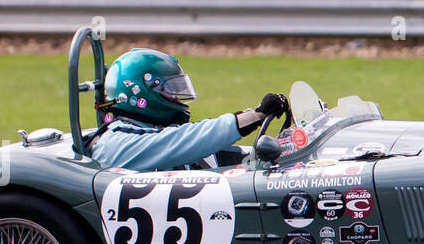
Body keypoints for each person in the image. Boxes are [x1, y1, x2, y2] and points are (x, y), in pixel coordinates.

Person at [92, 47, 286, 171]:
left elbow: (206, 153)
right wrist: (254, 116)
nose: (176, 98)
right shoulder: (116, 143)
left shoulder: (151, 130)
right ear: (140, 93)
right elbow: (184, 140)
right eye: (169, 90)